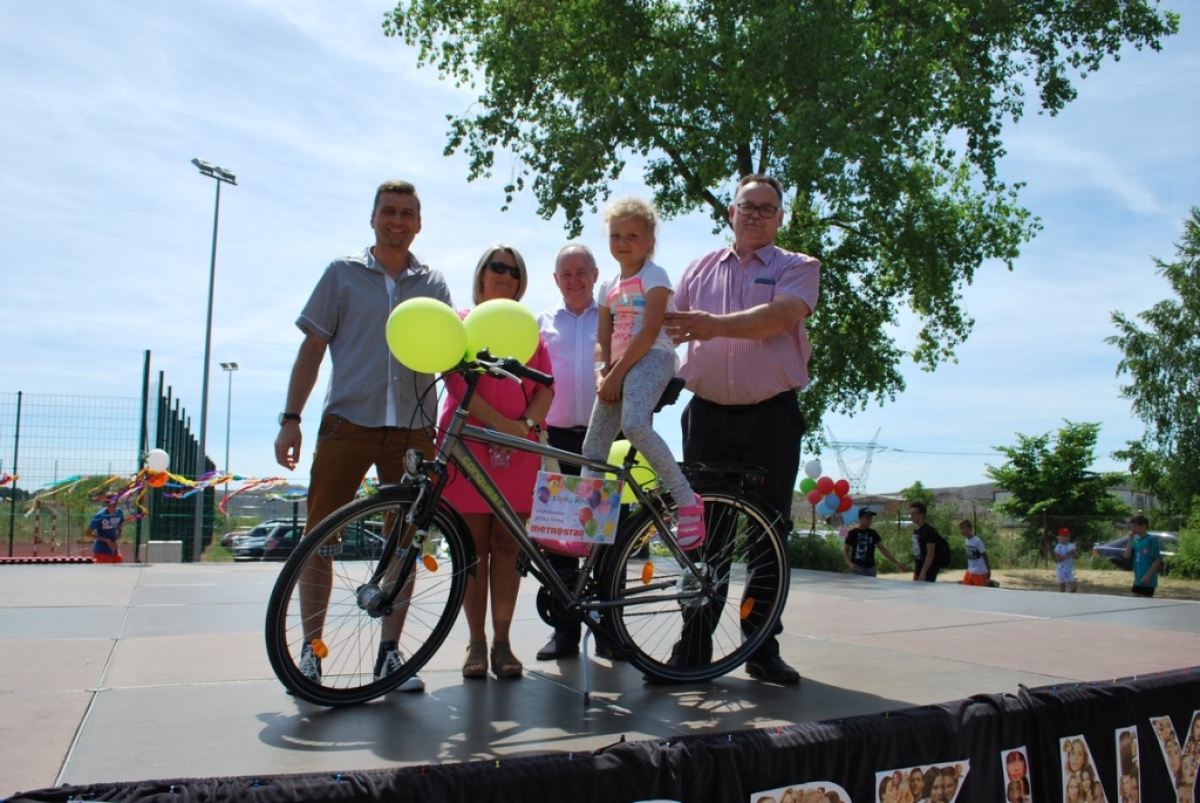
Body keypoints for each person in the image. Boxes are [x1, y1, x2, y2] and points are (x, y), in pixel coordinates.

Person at [274, 179, 451, 693]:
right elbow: (312, 349)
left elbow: (446, 353)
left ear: (419, 224)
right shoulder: (341, 274)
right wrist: (291, 418)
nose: (397, 220)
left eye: (407, 213)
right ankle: (311, 653)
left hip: (413, 429)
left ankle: (390, 656)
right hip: (347, 423)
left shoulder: (434, 283)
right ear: (373, 219)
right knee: (318, 541)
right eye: (388, 211)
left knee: (405, 543)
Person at [665, 173, 820, 684]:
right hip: (706, 418)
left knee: (768, 535)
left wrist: (714, 326)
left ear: (780, 218)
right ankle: (693, 647)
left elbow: (780, 318)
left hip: (770, 418)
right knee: (704, 537)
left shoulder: (798, 267)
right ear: (731, 213)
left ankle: (761, 648)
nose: (755, 214)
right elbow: (666, 330)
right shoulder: (697, 269)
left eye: (766, 208)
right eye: (746, 206)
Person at [440, 244, 554, 679]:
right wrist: (500, 426)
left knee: (508, 547)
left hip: (519, 450)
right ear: (481, 274)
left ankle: (503, 643)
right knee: (471, 549)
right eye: (498, 266)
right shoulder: (461, 323)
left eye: (515, 270)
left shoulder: (529, 330)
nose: (506, 274)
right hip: (468, 446)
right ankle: (476, 642)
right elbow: (455, 381)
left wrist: (523, 426)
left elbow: (547, 388)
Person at [581, 197, 703, 548]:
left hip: (653, 357)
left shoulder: (654, 276)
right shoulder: (606, 287)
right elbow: (602, 341)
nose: (623, 243)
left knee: (634, 424)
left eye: (632, 236)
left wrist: (617, 374)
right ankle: (588, 525)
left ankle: (686, 500)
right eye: (616, 236)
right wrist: (601, 374)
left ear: (649, 239)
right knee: (593, 447)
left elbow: (649, 331)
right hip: (619, 368)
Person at [534, 244, 600, 661]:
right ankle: (563, 633)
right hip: (555, 440)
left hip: (604, 438)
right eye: (566, 274)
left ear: (595, 275)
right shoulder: (539, 323)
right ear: (556, 280)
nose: (574, 280)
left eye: (582, 272)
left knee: (607, 537)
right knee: (560, 540)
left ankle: (611, 633)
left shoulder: (612, 318)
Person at [844, 508, 908, 576]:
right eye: (867, 518)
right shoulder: (852, 533)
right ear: (860, 518)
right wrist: (849, 563)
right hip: (857, 568)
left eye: (871, 518)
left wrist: (897, 562)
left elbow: (883, 549)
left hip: (871, 568)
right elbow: (845, 551)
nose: (869, 520)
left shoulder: (873, 533)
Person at [1124, 514, 1162, 598]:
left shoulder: (1151, 540)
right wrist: (1130, 540)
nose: (1132, 529)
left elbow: (1157, 560)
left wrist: (1148, 575)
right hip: (1137, 579)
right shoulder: (1135, 540)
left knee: (1144, 601)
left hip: (1148, 580)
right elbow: (1127, 556)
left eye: (1135, 526)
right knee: (1134, 599)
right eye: (1131, 527)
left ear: (1143, 526)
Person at [910, 502, 944, 583]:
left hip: (928, 569)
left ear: (922, 514)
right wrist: (916, 572)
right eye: (911, 513)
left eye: (914, 513)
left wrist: (923, 572)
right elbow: (917, 552)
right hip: (919, 566)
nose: (912, 516)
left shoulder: (928, 531)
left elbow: (930, 553)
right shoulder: (916, 530)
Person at [86, 496, 124, 564]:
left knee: (118, 569)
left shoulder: (119, 512)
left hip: (114, 550)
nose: (115, 505)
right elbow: (87, 533)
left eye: (116, 502)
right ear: (108, 504)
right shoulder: (100, 515)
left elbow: (120, 530)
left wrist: (117, 540)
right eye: (113, 503)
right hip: (101, 551)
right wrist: (107, 540)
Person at [960, 520, 991, 586]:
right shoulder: (966, 540)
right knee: (965, 589)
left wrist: (988, 570)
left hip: (979, 572)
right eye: (961, 528)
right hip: (970, 571)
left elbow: (984, 555)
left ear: (970, 529)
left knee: (979, 591)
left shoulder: (977, 540)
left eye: (963, 528)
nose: (962, 530)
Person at [1054, 527, 1079, 593]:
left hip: (1069, 570)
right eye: (1065, 536)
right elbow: (1058, 559)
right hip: (1061, 569)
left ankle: (1068, 595)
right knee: (1062, 588)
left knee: (1074, 588)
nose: (1067, 538)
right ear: (1060, 537)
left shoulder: (1071, 545)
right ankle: (1062, 597)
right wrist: (1066, 555)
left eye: (1068, 536)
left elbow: (1077, 556)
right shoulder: (1058, 547)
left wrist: (1074, 553)